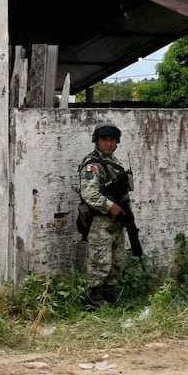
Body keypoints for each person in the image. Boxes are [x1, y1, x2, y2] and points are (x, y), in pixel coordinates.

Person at [78, 122, 133, 308]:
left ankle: (111, 298)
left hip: (117, 222)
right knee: (99, 262)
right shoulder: (92, 165)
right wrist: (110, 207)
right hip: (100, 221)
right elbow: (89, 193)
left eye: (112, 140)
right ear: (96, 141)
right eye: (104, 140)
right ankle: (93, 302)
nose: (109, 143)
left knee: (117, 261)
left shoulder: (115, 163)